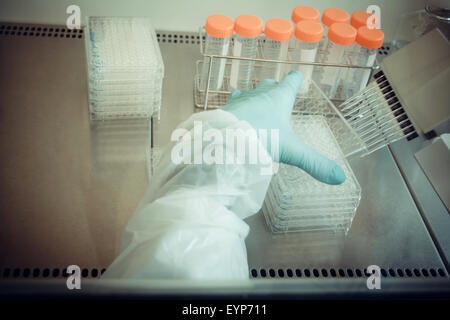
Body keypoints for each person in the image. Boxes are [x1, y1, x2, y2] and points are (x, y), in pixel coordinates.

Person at [102, 71, 345, 279]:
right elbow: (184, 254)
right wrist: (236, 145)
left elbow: (173, 221)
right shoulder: (195, 265)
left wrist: (223, 137)